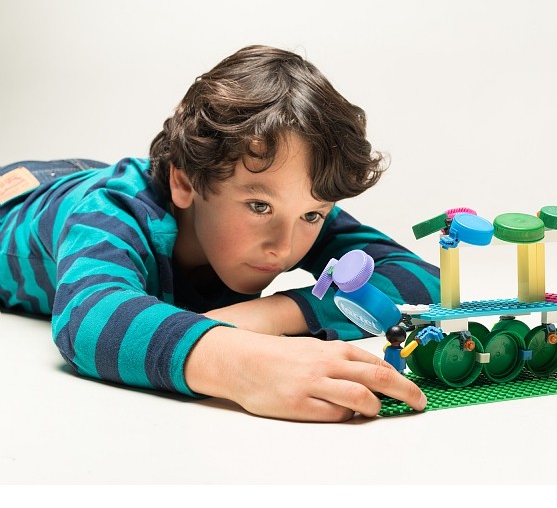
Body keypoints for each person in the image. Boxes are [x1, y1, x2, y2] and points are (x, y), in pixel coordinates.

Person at [0, 45, 440, 422]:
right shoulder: (110, 212)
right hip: (22, 196)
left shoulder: (289, 205)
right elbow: (90, 317)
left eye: (312, 214)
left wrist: (270, 315)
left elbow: (420, 279)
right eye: (259, 206)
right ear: (185, 181)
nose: (284, 247)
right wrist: (240, 361)